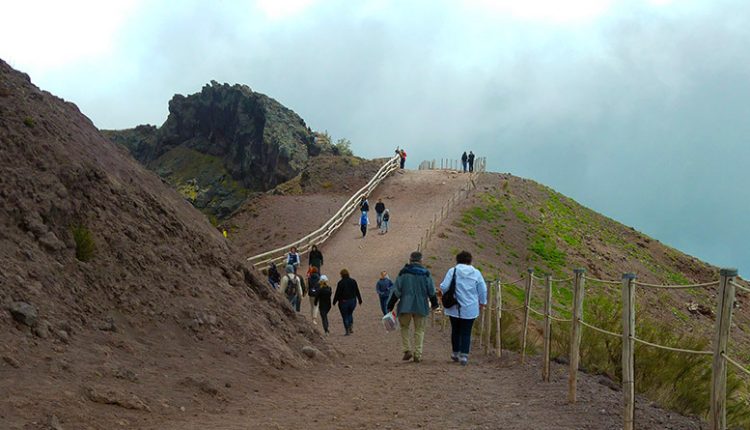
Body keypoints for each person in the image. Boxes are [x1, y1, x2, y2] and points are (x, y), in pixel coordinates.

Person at [387, 251, 439, 363]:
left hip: (405, 305)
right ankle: (418, 354)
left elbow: (396, 291)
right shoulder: (426, 274)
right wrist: (435, 304)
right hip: (421, 306)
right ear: (421, 261)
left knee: (404, 327)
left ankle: (407, 350)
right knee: (419, 330)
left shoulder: (403, 273)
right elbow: (431, 290)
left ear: (410, 260)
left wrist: (390, 305)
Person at [439, 250, 487, 366]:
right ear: (470, 260)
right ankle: (464, 356)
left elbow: (444, 286)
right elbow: (483, 289)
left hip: (454, 307)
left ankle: (455, 353)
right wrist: (482, 302)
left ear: (457, 260)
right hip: (470, 308)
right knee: (466, 332)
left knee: (455, 330)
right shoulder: (476, 273)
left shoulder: (452, 271)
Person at [332, 269, 362, 335]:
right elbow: (357, 291)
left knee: (345, 316)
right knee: (350, 313)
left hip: (343, 301)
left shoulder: (341, 283)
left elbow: (338, 293)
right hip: (352, 300)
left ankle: (347, 329)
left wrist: (334, 301)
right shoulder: (353, 281)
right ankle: (350, 325)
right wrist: (360, 300)